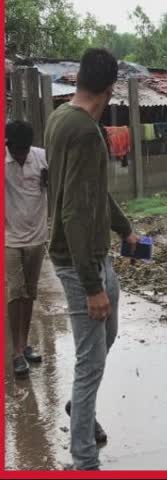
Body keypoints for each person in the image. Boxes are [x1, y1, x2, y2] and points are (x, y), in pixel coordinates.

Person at [45, 47, 139, 471]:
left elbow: (90, 193)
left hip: (94, 255)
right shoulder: (85, 131)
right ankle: (84, 459)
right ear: (109, 89)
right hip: (79, 260)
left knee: (104, 338)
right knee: (91, 360)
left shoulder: (60, 116)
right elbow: (73, 212)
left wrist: (124, 228)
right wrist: (91, 286)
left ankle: (76, 406)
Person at [5, 120, 48, 378]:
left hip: (37, 237)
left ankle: (24, 342)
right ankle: (16, 353)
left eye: (24, 150)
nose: (21, 155)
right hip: (9, 239)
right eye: (16, 151)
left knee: (29, 293)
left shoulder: (42, 158)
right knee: (16, 292)